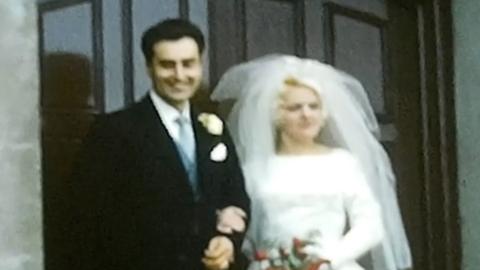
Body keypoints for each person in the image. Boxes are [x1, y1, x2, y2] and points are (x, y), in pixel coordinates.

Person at [69, 18, 250, 270]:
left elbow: (236, 195)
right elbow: (87, 219)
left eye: (188, 64)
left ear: (200, 64)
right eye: (167, 65)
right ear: (149, 67)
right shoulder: (113, 130)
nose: (179, 75)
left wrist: (228, 240)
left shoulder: (212, 127)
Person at [211, 55, 412, 270]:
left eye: (313, 106)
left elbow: (370, 224)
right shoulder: (254, 169)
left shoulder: (342, 164)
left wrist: (326, 259)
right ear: (277, 115)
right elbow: (247, 233)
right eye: (295, 108)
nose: (306, 114)